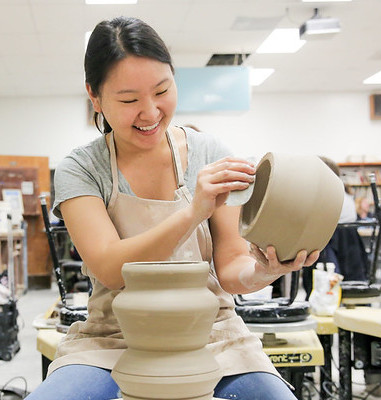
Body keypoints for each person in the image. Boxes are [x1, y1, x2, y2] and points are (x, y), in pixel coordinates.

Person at [26, 17, 319, 400]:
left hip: (212, 334)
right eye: (129, 100)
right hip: (113, 337)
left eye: (162, 91)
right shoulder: (80, 168)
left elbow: (231, 270)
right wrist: (191, 212)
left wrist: (265, 270)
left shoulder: (209, 154)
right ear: (94, 97)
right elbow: (112, 270)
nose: (150, 113)